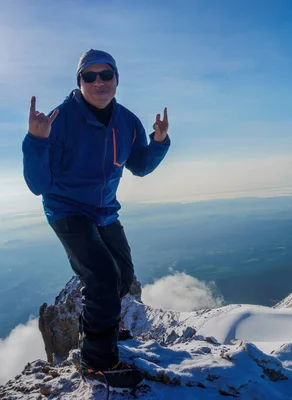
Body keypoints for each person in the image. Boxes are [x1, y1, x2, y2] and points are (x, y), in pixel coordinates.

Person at [22, 49, 171, 389]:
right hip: (66, 209)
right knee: (102, 275)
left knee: (123, 275)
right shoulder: (58, 120)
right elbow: (37, 185)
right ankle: (97, 362)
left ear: (117, 80)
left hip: (104, 209)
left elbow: (141, 166)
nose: (99, 82)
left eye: (106, 75)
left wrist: (159, 142)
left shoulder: (127, 121)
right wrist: (36, 140)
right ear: (80, 82)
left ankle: (102, 326)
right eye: (90, 76)